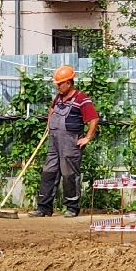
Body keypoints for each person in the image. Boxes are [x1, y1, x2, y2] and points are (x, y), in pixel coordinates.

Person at [37, 64, 98, 218]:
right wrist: (49, 124)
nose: (57, 86)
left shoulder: (81, 99)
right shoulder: (58, 98)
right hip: (54, 141)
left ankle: (72, 207)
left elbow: (93, 118)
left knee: (69, 174)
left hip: (71, 142)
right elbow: (52, 110)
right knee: (48, 172)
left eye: (59, 83)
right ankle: (44, 207)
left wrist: (87, 138)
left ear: (68, 83)